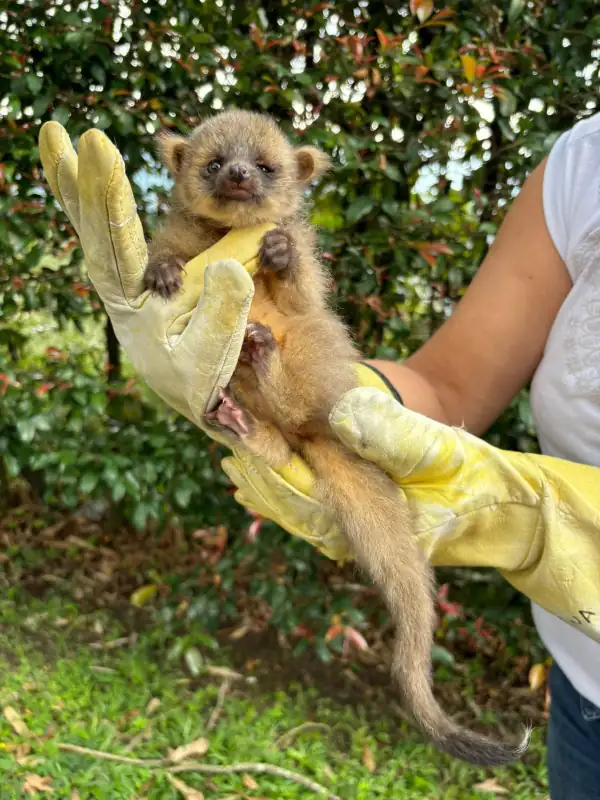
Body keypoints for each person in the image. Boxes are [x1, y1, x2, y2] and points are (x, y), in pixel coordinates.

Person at [39, 113, 600, 800]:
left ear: (300, 177)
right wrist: (161, 273)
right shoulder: (583, 161)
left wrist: (288, 266)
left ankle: (419, 687)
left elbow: (303, 303)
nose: (238, 174)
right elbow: (450, 383)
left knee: (289, 351)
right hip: (583, 692)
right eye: (214, 166)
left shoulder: (288, 240)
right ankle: (257, 421)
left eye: (263, 169)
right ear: (181, 168)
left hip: (303, 384)